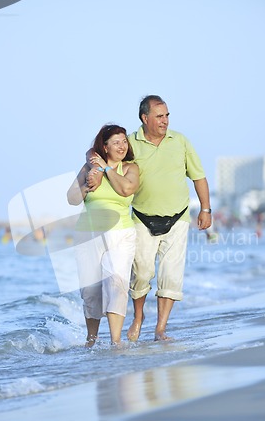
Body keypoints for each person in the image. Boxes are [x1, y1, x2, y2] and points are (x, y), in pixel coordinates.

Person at [87, 95, 212, 342]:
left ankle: (160, 329)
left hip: (178, 218)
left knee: (171, 277)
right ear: (145, 118)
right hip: (143, 219)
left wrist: (206, 209)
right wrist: (97, 168)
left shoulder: (180, 141)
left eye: (166, 116)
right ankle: (138, 317)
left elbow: (198, 176)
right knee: (141, 274)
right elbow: (97, 149)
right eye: (159, 116)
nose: (165, 121)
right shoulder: (129, 143)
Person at [67, 124, 139, 347]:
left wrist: (106, 170)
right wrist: (88, 185)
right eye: (116, 142)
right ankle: (91, 339)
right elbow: (71, 198)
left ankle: (115, 341)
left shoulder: (130, 168)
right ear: (104, 146)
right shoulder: (88, 167)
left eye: (124, 141)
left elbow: (126, 190)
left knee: (116, 284)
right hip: (87, 234)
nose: (122, 146)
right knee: (90, 289)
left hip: (121, 233)